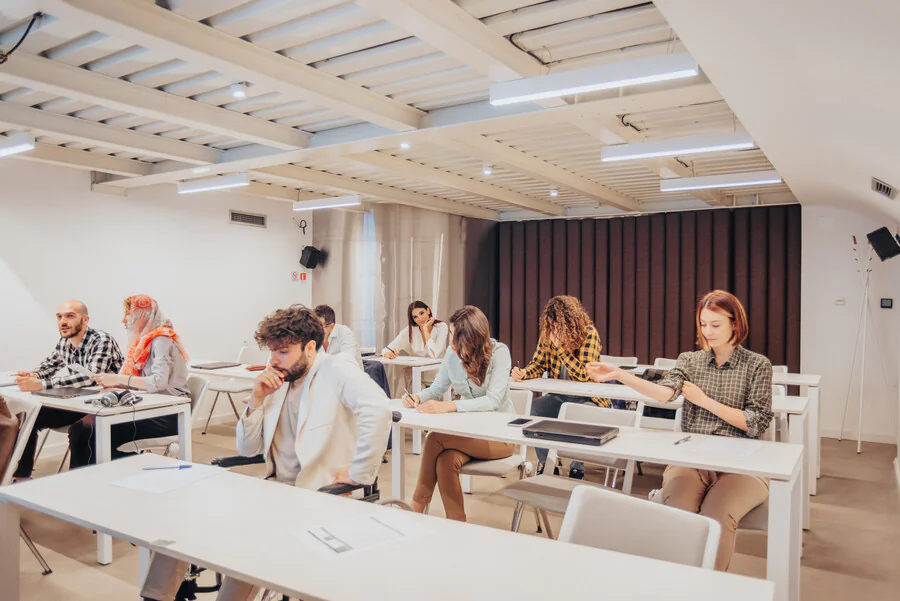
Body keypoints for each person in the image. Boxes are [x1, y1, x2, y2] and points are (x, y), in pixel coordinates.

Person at [141, 305, 391, 601]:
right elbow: (247, 449)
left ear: (310, 347)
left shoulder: (336, 369)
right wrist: (257, 399)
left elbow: (378, 408)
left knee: (245, 553)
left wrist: (358, 473)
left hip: (316, 495)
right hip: (274, 492)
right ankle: (157, 596)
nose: (274, 360)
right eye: (271, 351)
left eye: (283, 351)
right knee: (182, 522)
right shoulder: (278, 380)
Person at [586, 290, 773, 571]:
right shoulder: (690, 360)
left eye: (716, 324)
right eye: (703, 324)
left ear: (735, 323)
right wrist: (620, 375)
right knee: (679, 515)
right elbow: (664, 393)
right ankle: (677, 584)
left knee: (717, 515)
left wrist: (705, 401)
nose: (708, 332)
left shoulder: (758, 365)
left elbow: (756, 421)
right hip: (692, 459)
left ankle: (706, 587)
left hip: (741, 464)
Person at [402, 306, 516, 522]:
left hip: (500, 436)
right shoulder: (451, 354)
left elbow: (493, 400)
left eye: (455, 336)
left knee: (435, 437)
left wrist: (451, 406)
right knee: (446, 462)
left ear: (472, 337)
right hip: (468, 433)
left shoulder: (499, 352)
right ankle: (457, 524)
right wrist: (417, 397)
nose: (451, 342)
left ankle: (415, 509)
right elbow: (436, 389)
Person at [68, 295, 190, 469]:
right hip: (149, 408)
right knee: (82, 427)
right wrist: (116, 383)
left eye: (128, 314)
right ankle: (89, 480)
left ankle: (112, 476)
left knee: (97, 430)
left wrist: (118, 379)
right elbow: (143, 381)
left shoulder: (161, 339)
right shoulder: (142, 341)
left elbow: (158, 383)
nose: (123, 320)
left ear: (143, 315)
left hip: (169, 415)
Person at [13, 300, 124, 479]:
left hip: (106, 405)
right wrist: (33, 375)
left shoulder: (101, 340)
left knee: (81, 430)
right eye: (59, 317)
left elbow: (92, 378)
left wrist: (42, 384)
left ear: (85, 319)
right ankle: (22, 476)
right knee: (29, 414)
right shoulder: (65, 342)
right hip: (80, 402)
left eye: (70, 316)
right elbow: (49, 365)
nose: (63, 321)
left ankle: (75, 484)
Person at [511, 295, 608, 479]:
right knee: (536, 408)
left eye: (557, 325)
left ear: (570, 323)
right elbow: (538, 364)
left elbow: (583, 375)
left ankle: (577, 465)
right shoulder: (548, 335)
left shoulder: (589, 334)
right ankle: (547, 463)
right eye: (550, 325)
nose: (553, 329)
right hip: (560, 396)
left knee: (577, 414)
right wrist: (524, 372)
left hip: (588, 399)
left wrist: (561, 348)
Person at [382, 300, 449, 359]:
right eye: (415, 317)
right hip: (417, 370)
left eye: (421, 313)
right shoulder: (410, 330)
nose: (420, 318)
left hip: (437, 370)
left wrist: (425, 329)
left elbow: (435, 355)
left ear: (428, 311)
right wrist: (388, 354)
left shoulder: (441, 327)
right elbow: (386, 350)